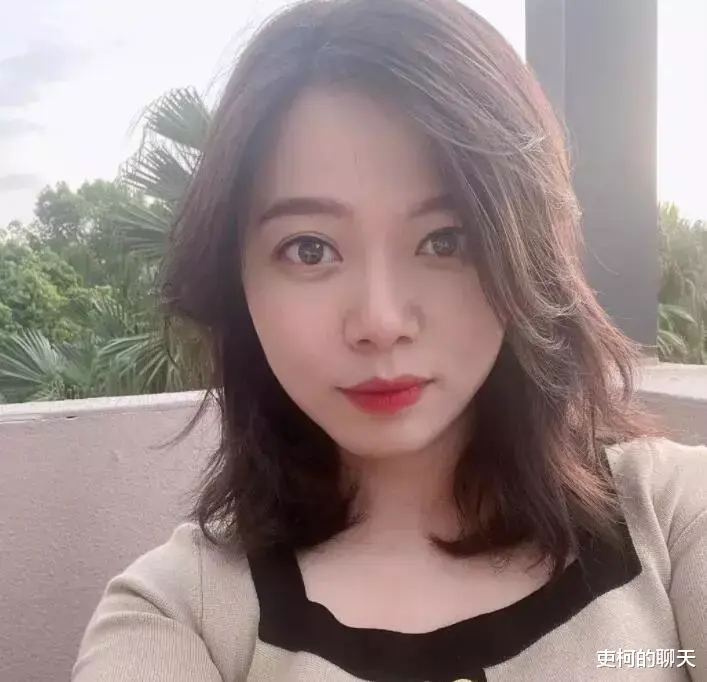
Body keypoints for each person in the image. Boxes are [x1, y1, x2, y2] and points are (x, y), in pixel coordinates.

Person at [71, 0, 707, 680]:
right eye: (309, 249)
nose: (380, 321)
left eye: (446, 240)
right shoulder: (177, 612)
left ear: (527, 251)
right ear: (237, 282)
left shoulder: (673, 516)